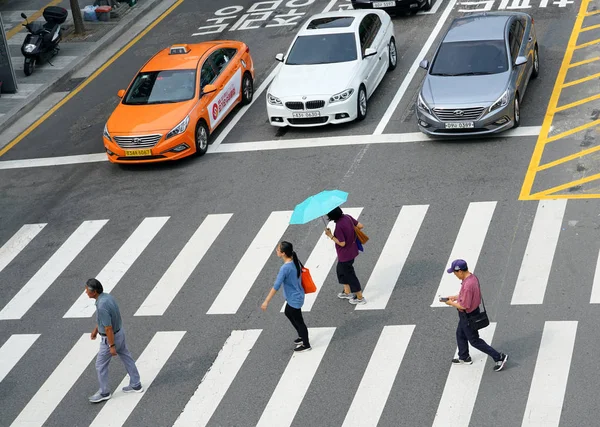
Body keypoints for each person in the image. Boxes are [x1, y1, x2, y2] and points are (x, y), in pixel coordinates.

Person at [442, 259, 508, 372]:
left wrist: (450, 303)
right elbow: (467, 295)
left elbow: (464, 306)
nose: (455, 275)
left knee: (474, 341)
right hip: (470, 313)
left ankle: (499, 357)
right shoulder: (472, 278)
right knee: (460, 333)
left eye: (454, 272)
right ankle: (464, 357)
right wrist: (455, 297)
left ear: (460, 271)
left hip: (468, 316)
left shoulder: (467, 285)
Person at [85, 278, 143, 403]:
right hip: (120, 332)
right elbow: (105, 319)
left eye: (87, 290)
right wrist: (96, 330)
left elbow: (108, 328)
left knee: (100, 365)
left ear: (94, 292)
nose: (85, 292)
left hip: (110, 338)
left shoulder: (101, 306)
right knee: (127, 357)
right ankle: (135, 383)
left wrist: (111, 345)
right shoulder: (107, 297)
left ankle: (104, 392)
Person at [261, 241, 311, 352]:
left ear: (283, 253)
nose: (276, 251)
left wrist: (266, 301)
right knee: (288, 313)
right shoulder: (294, 260)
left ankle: (306, 344)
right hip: (296, 295)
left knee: (299, 321)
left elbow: (276, 286)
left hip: (295, 298)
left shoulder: (285, 268)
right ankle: (301, 336)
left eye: (278, 250)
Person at [324, 207, 366, 305]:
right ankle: (347, 292)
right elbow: (360, 226)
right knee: (340, 270)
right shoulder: (347, 217)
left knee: (350, 275)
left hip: (345, 255)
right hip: (353, 250)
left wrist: (330, 235)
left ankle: (360, 297)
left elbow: (342, 243)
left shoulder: (339, 226)